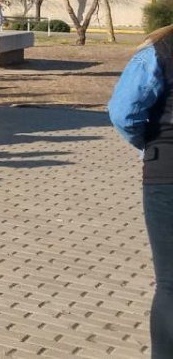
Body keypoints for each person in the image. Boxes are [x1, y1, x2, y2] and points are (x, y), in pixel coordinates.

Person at [108, 24, 173, 357]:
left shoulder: (160, 49)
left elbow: (124, 113)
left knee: (171, 284)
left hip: (166, 173)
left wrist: (150, 145)